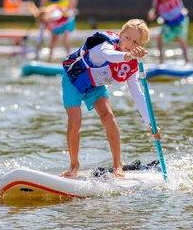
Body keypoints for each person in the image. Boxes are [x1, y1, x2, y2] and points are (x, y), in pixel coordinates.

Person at [61, 19, 162, 178]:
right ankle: (74, 165)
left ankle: (117, 165)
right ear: (121, 35)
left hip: (95, 85)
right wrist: (128, 55)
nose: (129, 43)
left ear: (141, 47)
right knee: (75, 121)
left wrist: (151, 124)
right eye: (127, 38)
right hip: (72, 80)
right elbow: (111, 56)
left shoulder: (132, 67)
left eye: (135, 42)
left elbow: (138, 94)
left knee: (109, 117)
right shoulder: (104, 46)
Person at [147, 0, 190, 64]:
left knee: (181, 39)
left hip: (180, 20)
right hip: (168, 22)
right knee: (159, 39)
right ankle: (161, 62)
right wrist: (151, 14)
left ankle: (187, 62)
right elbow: (154, 9)